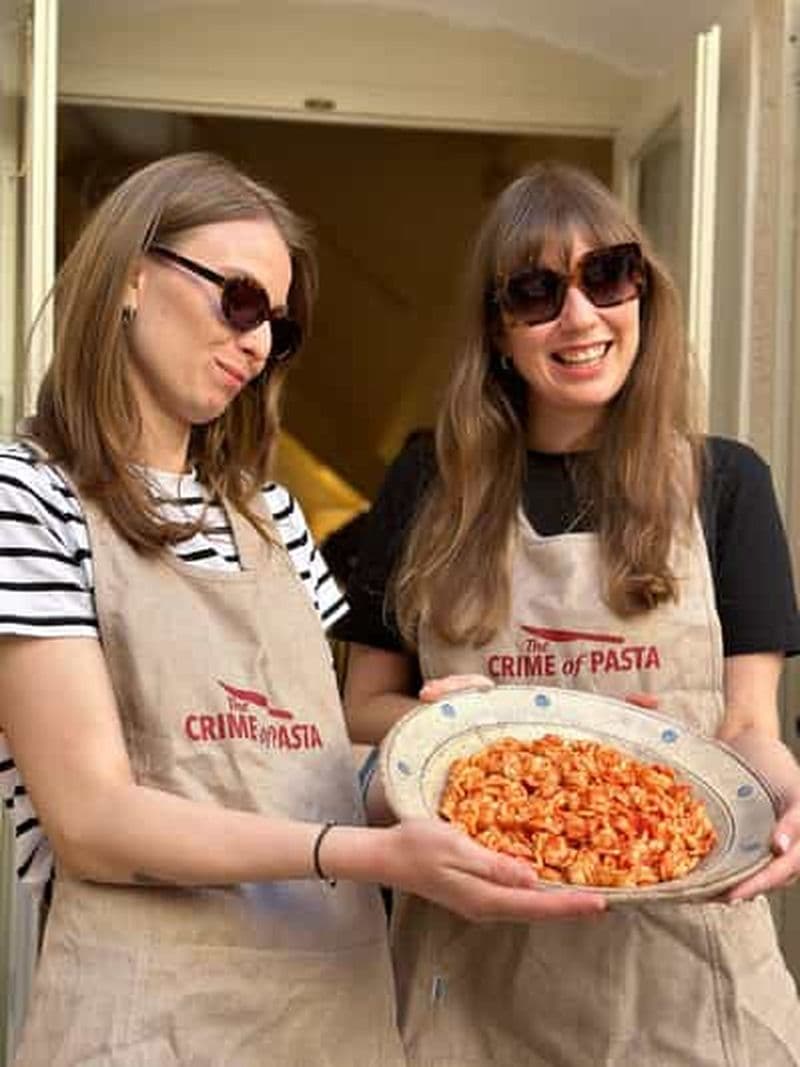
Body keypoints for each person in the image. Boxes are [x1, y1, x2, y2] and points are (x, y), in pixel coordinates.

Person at [0, 153, 605, 1067]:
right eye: (240, 300)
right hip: (149, 1028)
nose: (256, 343)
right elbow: (91, 821)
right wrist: (373, 858)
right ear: (129, 274)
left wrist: (440, 749)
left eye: (276, 328)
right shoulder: (26, 495)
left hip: (334, 1024)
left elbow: (304, 768)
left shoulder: (270, 515)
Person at [335, 161, 800, 1065]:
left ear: (644, 296)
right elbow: (361, 711)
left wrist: (786, 794)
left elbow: (746, 722)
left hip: (684, 970)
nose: (580, 316)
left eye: (608, 276)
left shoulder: (727, 482)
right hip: (475, 969)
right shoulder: (429, 482)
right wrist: (454, 722)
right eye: (537, 292)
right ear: (497, 330)